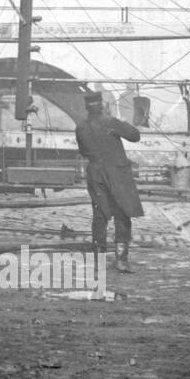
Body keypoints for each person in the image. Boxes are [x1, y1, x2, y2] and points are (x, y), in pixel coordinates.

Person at [75, 89, 143, 273]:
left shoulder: (81, 127)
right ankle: (121, 260)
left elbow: (83, 151)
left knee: (100, 215)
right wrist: (122, 123)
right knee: (122, 214)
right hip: (118, 175)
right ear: (103, 106)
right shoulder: (111, 122)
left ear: (88, 108)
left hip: (96, 174)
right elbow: (135, 136)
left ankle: (98, 260)